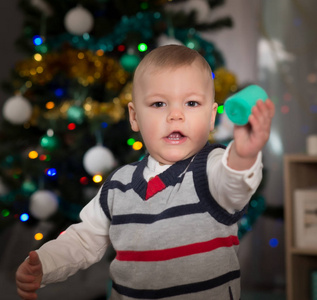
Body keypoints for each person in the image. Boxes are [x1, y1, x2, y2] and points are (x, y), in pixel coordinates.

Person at [16, 45, 275, 300]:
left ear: (210, 117)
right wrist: (46, 263)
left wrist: (244, 154)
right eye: (159, 103)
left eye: (192, 103)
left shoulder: (211, 168)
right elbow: (84, 239)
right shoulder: (118, 185)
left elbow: (234, 182)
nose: (176, 115)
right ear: (135, 116)